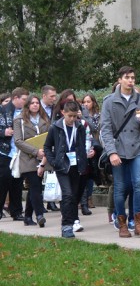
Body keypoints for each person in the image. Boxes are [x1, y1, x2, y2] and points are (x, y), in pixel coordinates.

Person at [100, 66, 140, 239]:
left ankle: (137, 222)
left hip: (137, 147)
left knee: (138, 184)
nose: (131, 81)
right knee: (120, 187)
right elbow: (105, 129)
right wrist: (112, 152)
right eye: (127, 77)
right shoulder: (109, 101)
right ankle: (122, 223)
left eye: (133, 78)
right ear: (120, 80)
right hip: (118, 148)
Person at [43, 100, 89, 238]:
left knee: (73, 196)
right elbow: (47, 147)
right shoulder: (55, 127)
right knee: (67, 194)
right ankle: (66, 226)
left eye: (75, 116)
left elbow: (82, 145)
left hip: (76, 165)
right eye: (70, 116)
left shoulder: (79, 127)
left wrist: (83, 160)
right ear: (63, 113)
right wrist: (54, 162)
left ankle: (73, 221)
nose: (72, 119)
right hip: (62, 166)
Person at [14, 94, 49, 227]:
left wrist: (44, 153)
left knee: (35, 186)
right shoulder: (19, 120)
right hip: (27, 157)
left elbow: (49, 136)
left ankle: (28, 216)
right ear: (27, 105)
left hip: (42, 157)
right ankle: (39, 214)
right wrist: (35, 151)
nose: (35, 105)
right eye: (32, 103)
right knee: (35, 184)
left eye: (37, 103)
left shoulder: (44, 118)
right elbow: (18, 141)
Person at [0, 88, 28, 223]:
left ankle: (16, 212)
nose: (26, 102)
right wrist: (3, 132)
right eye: (24, 99)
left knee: (17, 183)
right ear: (15, 98)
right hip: (5, 152)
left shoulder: (26, 113)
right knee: (3, 182)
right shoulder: (2, 110)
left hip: (19, 153)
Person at [79, 93, 102, 215]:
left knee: (91, 173)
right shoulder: (78, 116)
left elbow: (94, 128)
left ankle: (89, 197)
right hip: (84, 146)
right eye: (84, 102)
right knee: (84, 173)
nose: (86, 104)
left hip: (94, 145)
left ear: (93, 102)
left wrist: (84, 116)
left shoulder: (97, 115)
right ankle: (83, 199)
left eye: (88, 101)